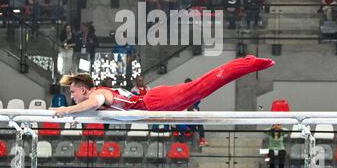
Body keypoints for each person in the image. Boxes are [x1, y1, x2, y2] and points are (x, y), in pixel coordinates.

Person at [52, 55, 275, 117]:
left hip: (155, 102)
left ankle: (247, 63)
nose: (71, 97)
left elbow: (94, 103)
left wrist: (66, 111)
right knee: (205, 87)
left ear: (82, 88)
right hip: (156, 104)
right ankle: (246, 64)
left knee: (206, 84)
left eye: (72, 92)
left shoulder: (98, 94)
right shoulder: (94, 95)